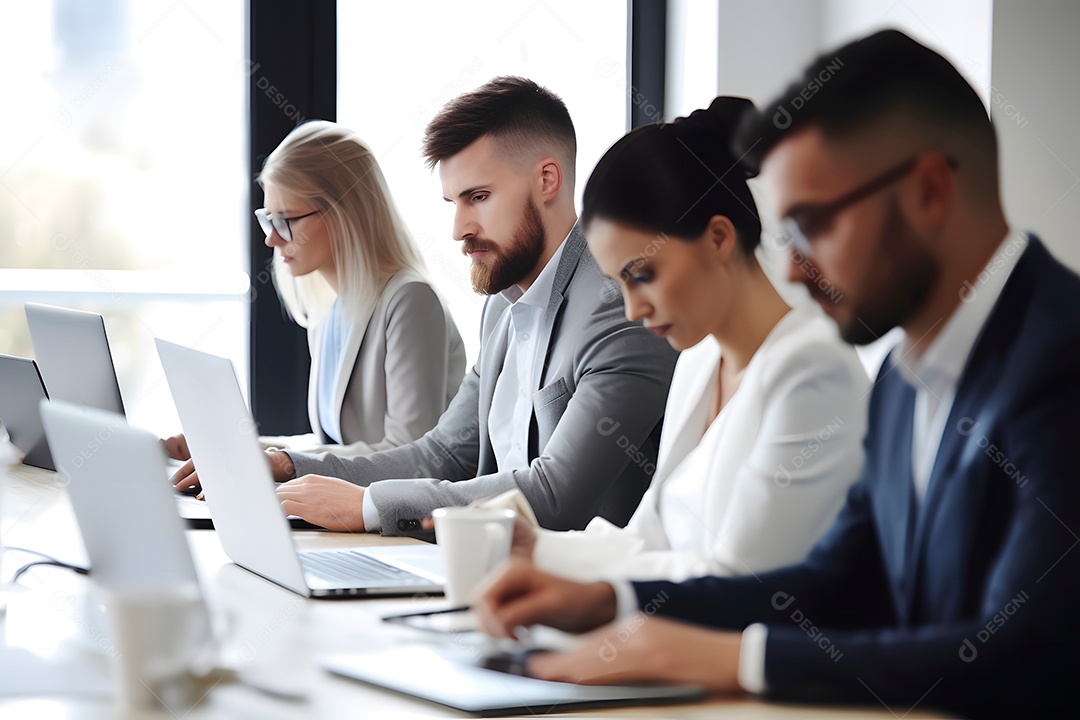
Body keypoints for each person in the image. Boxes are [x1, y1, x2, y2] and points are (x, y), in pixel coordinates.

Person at [474, 31, 1080, 718]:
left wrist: (730, 658)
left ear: (929, 191)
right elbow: (836, 582)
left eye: (810, 227)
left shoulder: (1061, 360)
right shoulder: (903, 383)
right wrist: (608, 601)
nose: (792, 269)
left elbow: (1026, 658)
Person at [225, 77, 679, 534]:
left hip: (578, 591)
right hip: (487, 570)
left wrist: (367, 507)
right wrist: (289, 467)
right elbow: (441, 453)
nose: (459, 228)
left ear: (547, 180)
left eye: (478, 197)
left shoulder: (619, 308)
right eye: (453, 202)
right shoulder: (502, 308)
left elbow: (555, 494)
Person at [517, 96, 868, 584]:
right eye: (619, 284)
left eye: (643, 275)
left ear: (719, 238)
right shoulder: (701, 359)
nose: (634, 310)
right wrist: (524, 548)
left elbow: (737, 579)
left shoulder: (812, 368)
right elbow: (646, 538)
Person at [167, 121, 465, 470]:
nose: (272, 240)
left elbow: (409, 452)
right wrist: (231, 447)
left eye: (287, 219)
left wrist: (279, 462)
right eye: (269, 220)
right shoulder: (333, 309)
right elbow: (338, 446)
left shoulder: (410, 300)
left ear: (344, 212)